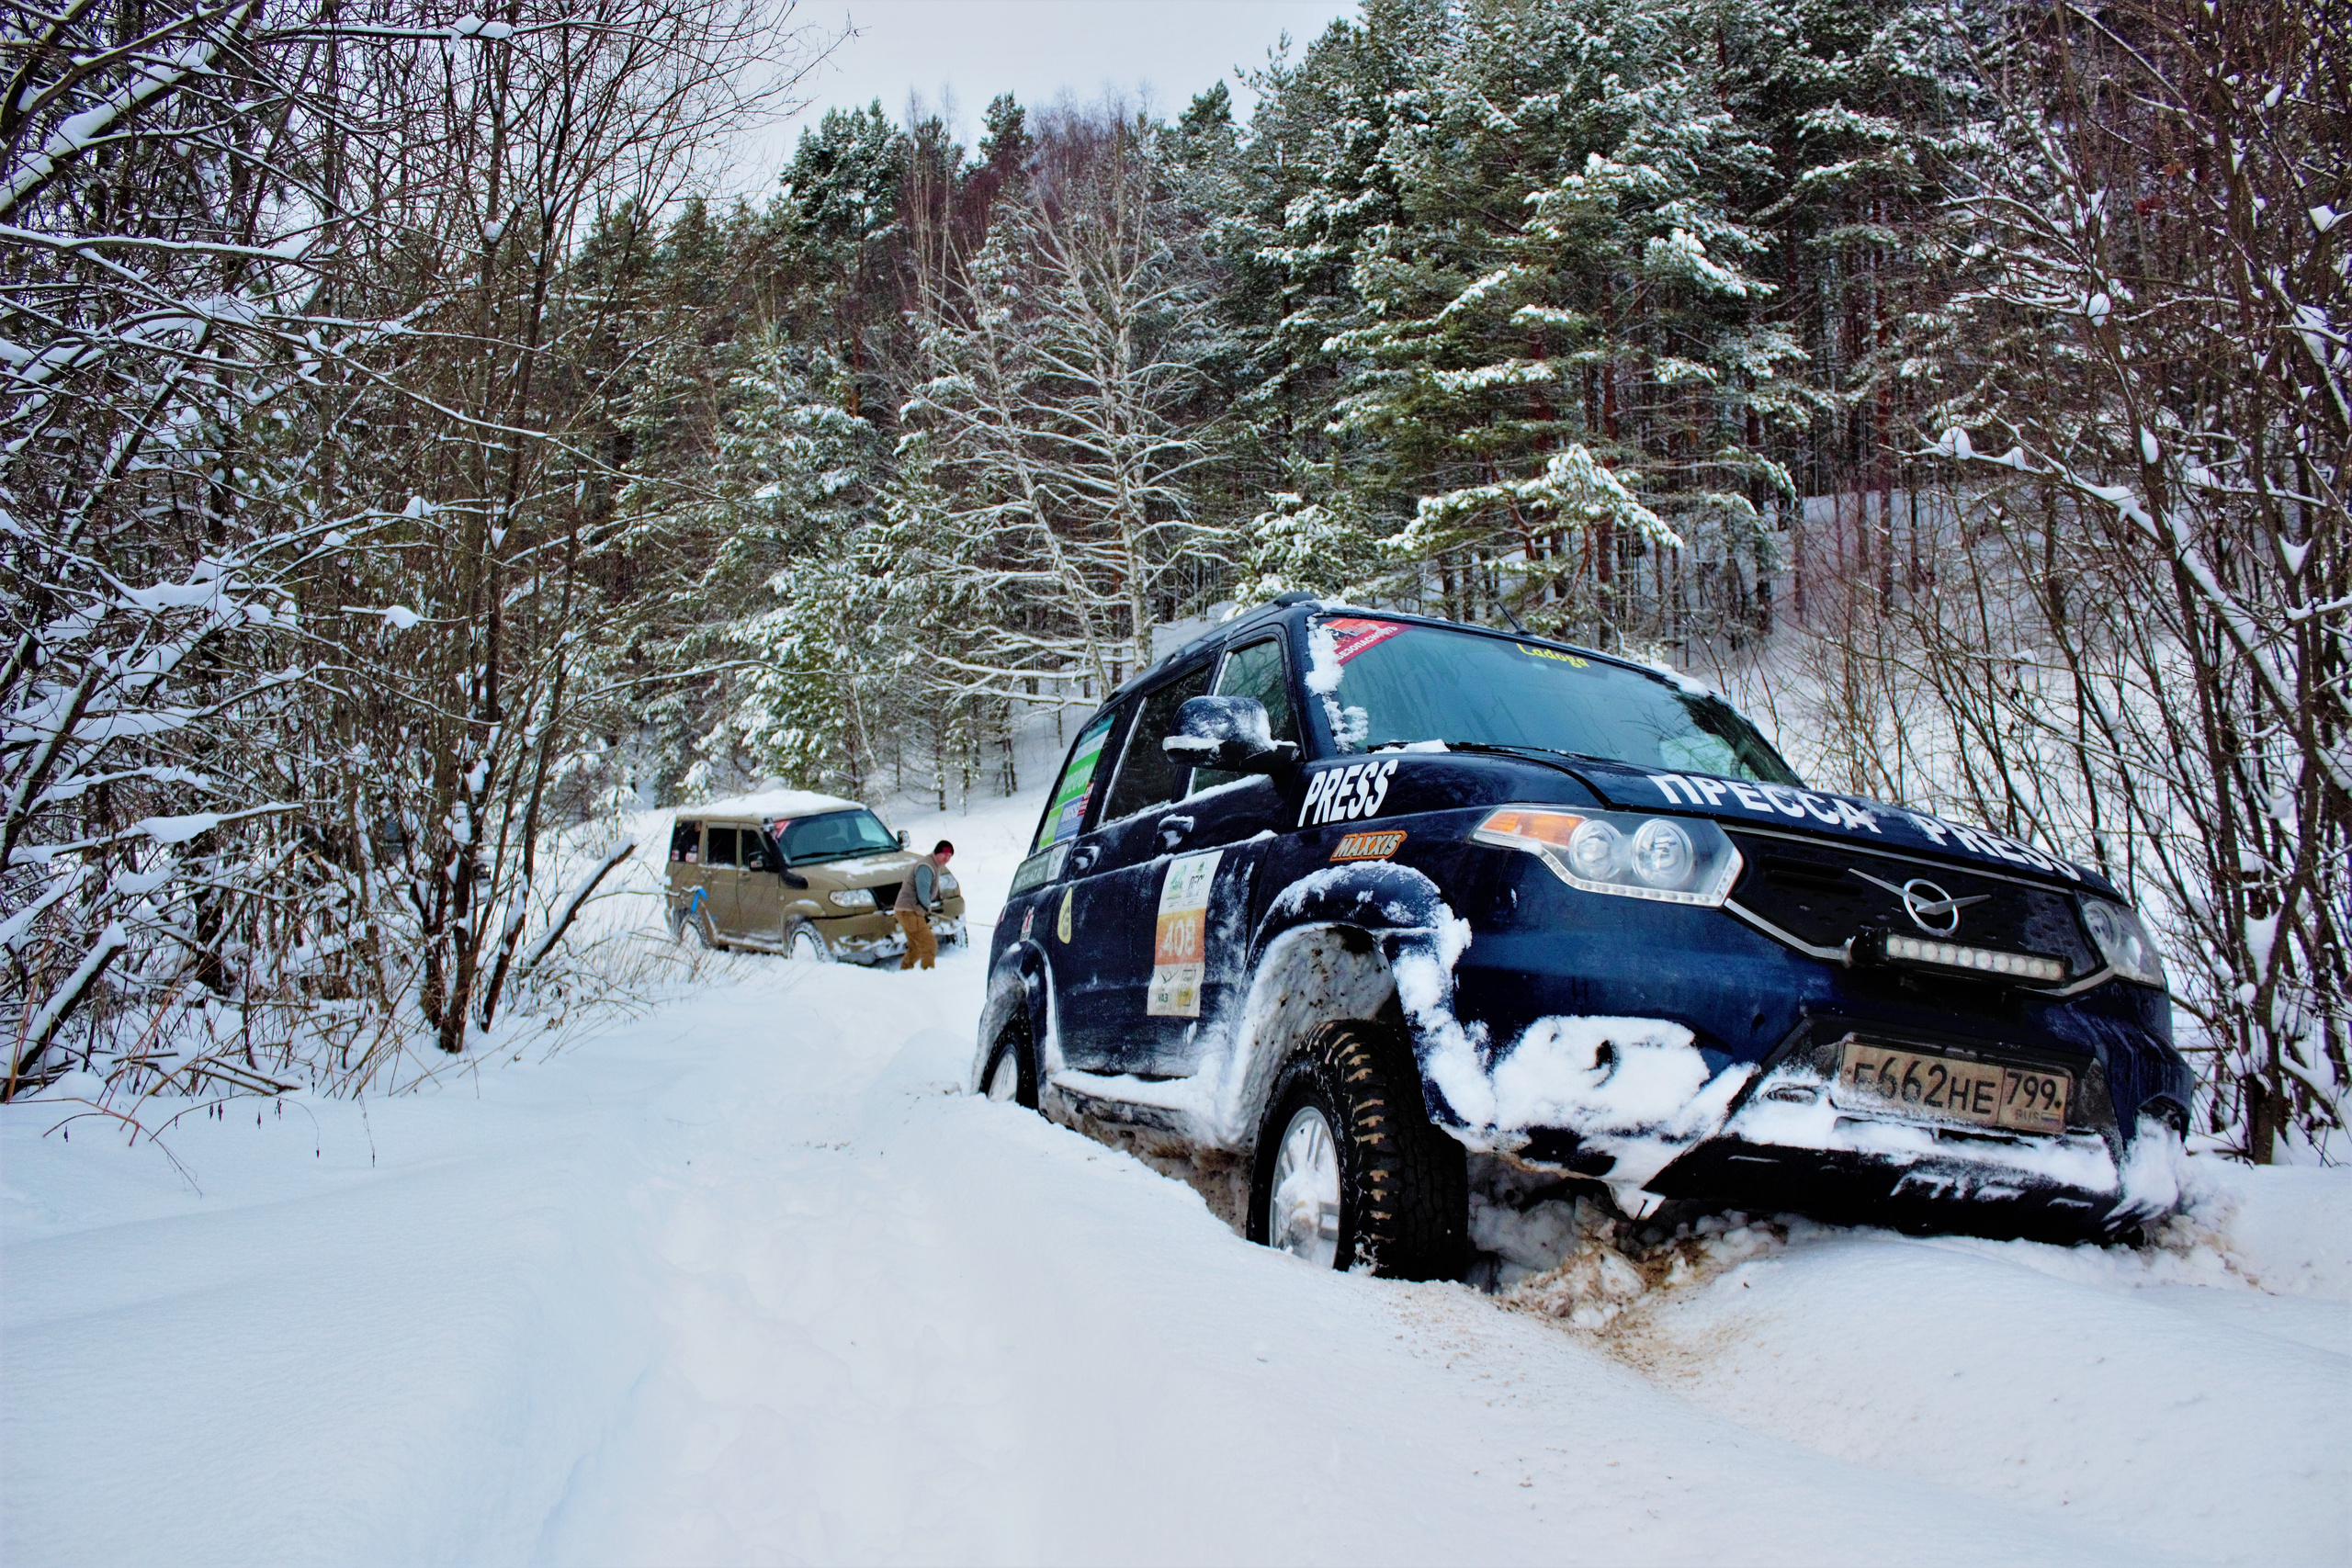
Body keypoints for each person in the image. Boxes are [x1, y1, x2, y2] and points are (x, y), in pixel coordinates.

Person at [894, 840, 954, 971]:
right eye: (945, 855)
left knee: (915, 947)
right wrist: (927, 907)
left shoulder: (932, 864)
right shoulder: (926, 866)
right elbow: (923, 892)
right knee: (929, 945)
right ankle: (928, 974)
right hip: (909, 911)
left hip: (906, 910)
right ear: (937, 852)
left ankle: (905, 972)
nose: (947, 859)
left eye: (950, 856)